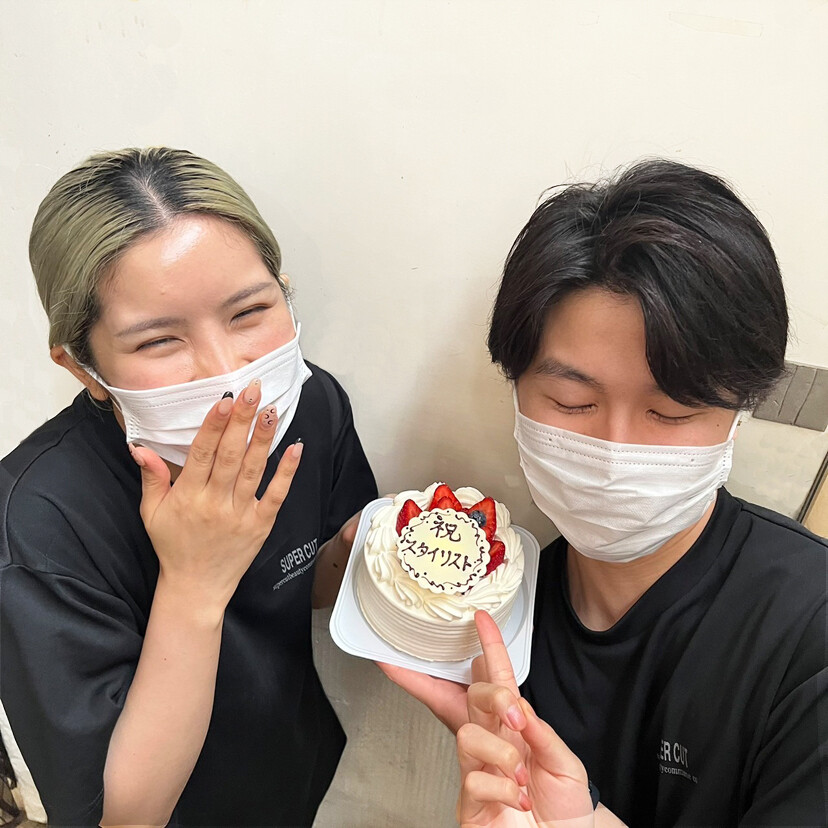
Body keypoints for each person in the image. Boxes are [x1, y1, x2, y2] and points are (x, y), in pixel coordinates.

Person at [383, 160, 827, 826]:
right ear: (517, 390)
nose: (616, 452)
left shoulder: (808, 632)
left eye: (671, 412)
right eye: (572, 402)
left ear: (739, 413)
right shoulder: (501, 611)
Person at [0, 147, 377, 827]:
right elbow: (125, 816)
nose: (229, 370)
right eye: (158, 342)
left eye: (249, 311)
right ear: (82, 367)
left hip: (288, 770)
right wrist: (195, 583)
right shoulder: (38, 522)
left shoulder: (312, 407)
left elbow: (309, 580)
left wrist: (364, 557)